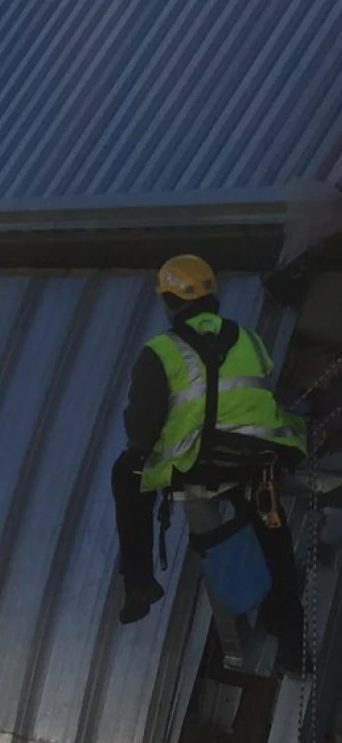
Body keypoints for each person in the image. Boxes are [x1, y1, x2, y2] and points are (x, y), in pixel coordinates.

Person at [112, 256, 308, 664]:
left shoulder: (161, 350)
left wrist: (145, 450)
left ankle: (139, 583)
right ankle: (290, 636)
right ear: (212, 295)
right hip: (260, 455)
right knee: (271, 530)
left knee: (126, 473)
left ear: (168, 301)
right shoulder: (250, 338)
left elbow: (143, 426)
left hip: (202, 459)